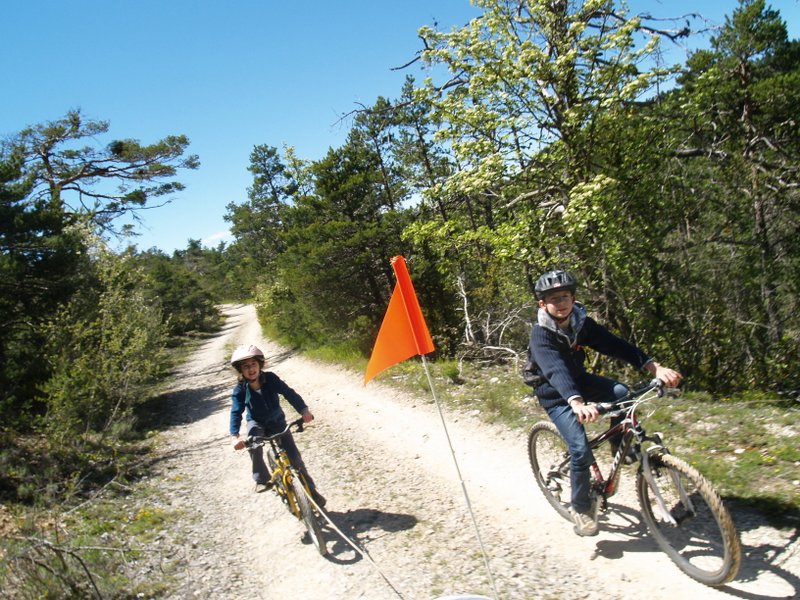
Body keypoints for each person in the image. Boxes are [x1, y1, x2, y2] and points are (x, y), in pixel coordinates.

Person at [528, 270, 681, 536]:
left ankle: (617, 444)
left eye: (565, 296)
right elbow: (554, 370)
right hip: (554, 392)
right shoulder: (541, 334)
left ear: (574, 298)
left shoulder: (580, 323)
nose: (561, 303)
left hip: (578, 380)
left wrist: (653, 367)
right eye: (553, 299)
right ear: (543, 304)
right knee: (579, 448)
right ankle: (581, 508)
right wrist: (576, 402)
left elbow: (614, 345)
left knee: (621, 392)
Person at [229, 344, 326, 507]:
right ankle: (261, 479)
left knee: (295, 460)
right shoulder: (240, 390)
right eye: (245, 366)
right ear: (240, 370)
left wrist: (304, 410)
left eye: (253, 364)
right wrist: (235, 436)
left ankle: (312, 493)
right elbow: (236, 412)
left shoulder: (271, 379)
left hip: (277, 421)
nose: (251, 369)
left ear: (260, 364)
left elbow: (289, 393)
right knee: (253, 441)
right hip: (257, 422)